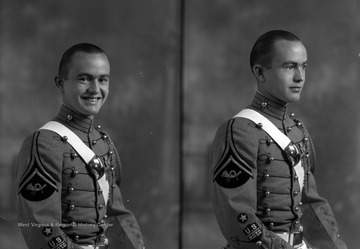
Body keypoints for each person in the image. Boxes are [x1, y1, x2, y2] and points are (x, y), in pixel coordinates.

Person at [209, 30, 347, 249]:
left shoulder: (297, 131)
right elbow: (237, 214)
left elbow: (310, 203)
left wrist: (334, 245)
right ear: (260, 72)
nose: (300, 77)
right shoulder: (238, 131)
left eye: (304, 66)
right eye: (289, 66)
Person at [16, 43, 144, 249]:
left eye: (102, 79)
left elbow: (117, 214)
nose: (95, 89)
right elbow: (41, 227)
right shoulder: (43, 143)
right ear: (61, 83)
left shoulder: (104, 142)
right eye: (84, 79)